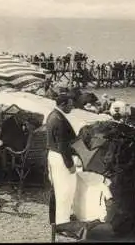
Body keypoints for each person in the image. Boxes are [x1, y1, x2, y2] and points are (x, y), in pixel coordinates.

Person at [46, 93, 78, 237]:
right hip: (61, 158)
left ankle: (56, 221)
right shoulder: (59, 120)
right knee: (65, 192)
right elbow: (63, 146)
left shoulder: (53, 115)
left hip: (54, 156)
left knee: (57, 190)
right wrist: (70, 164)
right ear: (63, 104)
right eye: (70, 104)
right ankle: (62, 225)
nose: (72, 107)